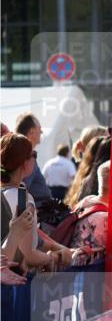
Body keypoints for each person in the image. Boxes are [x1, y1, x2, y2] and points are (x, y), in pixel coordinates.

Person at [1, 133, 66, 272]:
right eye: (34, 155)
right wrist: (51, 258)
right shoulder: (23, 199)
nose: (35, 159)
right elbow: (28, 254)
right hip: (15, 281)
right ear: (25, 162)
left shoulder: (4, 193)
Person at [15, 113, 51, 208]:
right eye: (39, 128)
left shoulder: (20, 153)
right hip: (41, 212)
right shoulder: (27, 157)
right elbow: (21, 188)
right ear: (31, 132)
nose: (42, 132)